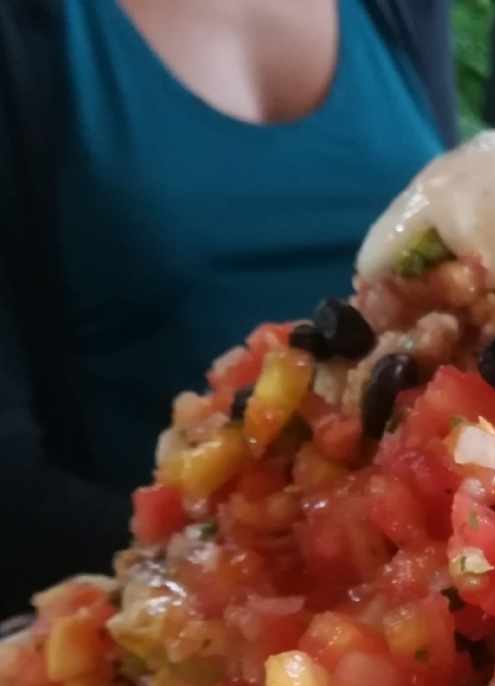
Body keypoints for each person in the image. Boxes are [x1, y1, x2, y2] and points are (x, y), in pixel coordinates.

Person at [0, 0, 458, 614]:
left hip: (434, 591)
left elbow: (448, 283)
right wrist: (272, 571)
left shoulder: (402, 13)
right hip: (154, 626)